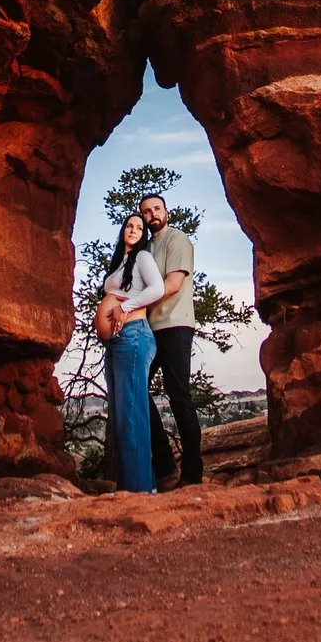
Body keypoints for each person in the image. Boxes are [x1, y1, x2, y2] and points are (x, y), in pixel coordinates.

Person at [140, 191, 206, 489]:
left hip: (175, 325)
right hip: (149, 329)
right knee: (137, 390)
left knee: (179, 395)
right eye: (146, 211)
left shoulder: (176, 240)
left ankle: (192, 474)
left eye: (157, 209)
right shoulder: (144, 249)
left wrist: (135, 306)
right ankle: (164, 464)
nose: (152, 214)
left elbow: (173, 284)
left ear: (166, 211)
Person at [95, 211, 163, 493]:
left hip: (134, 337)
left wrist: (122, 308)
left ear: (143, 233)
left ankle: (141, 491)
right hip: (117, 341)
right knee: (123, 418)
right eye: (129, 225)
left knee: (132, 415)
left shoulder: (143, 258)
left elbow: (157, 288)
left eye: (139, 227)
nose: (134, 229)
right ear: (123, 230)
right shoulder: (120, 263)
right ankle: (131, 487)